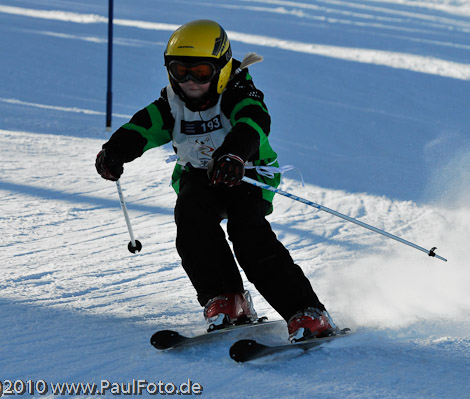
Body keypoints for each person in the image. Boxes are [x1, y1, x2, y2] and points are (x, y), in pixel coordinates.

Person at [95, 19, 337, 342]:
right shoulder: (173, 102)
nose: (190, 82)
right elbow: (144, 127)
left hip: (246, 171)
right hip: (200, 175)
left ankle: (306, 311)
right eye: (180, 71)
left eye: (202, 73)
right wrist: (114, 152)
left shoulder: (237, 91)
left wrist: (235, 154)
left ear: (221, 69)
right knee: (190, 218)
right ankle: (226, 298)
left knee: (247, 233)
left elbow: (253, 121)